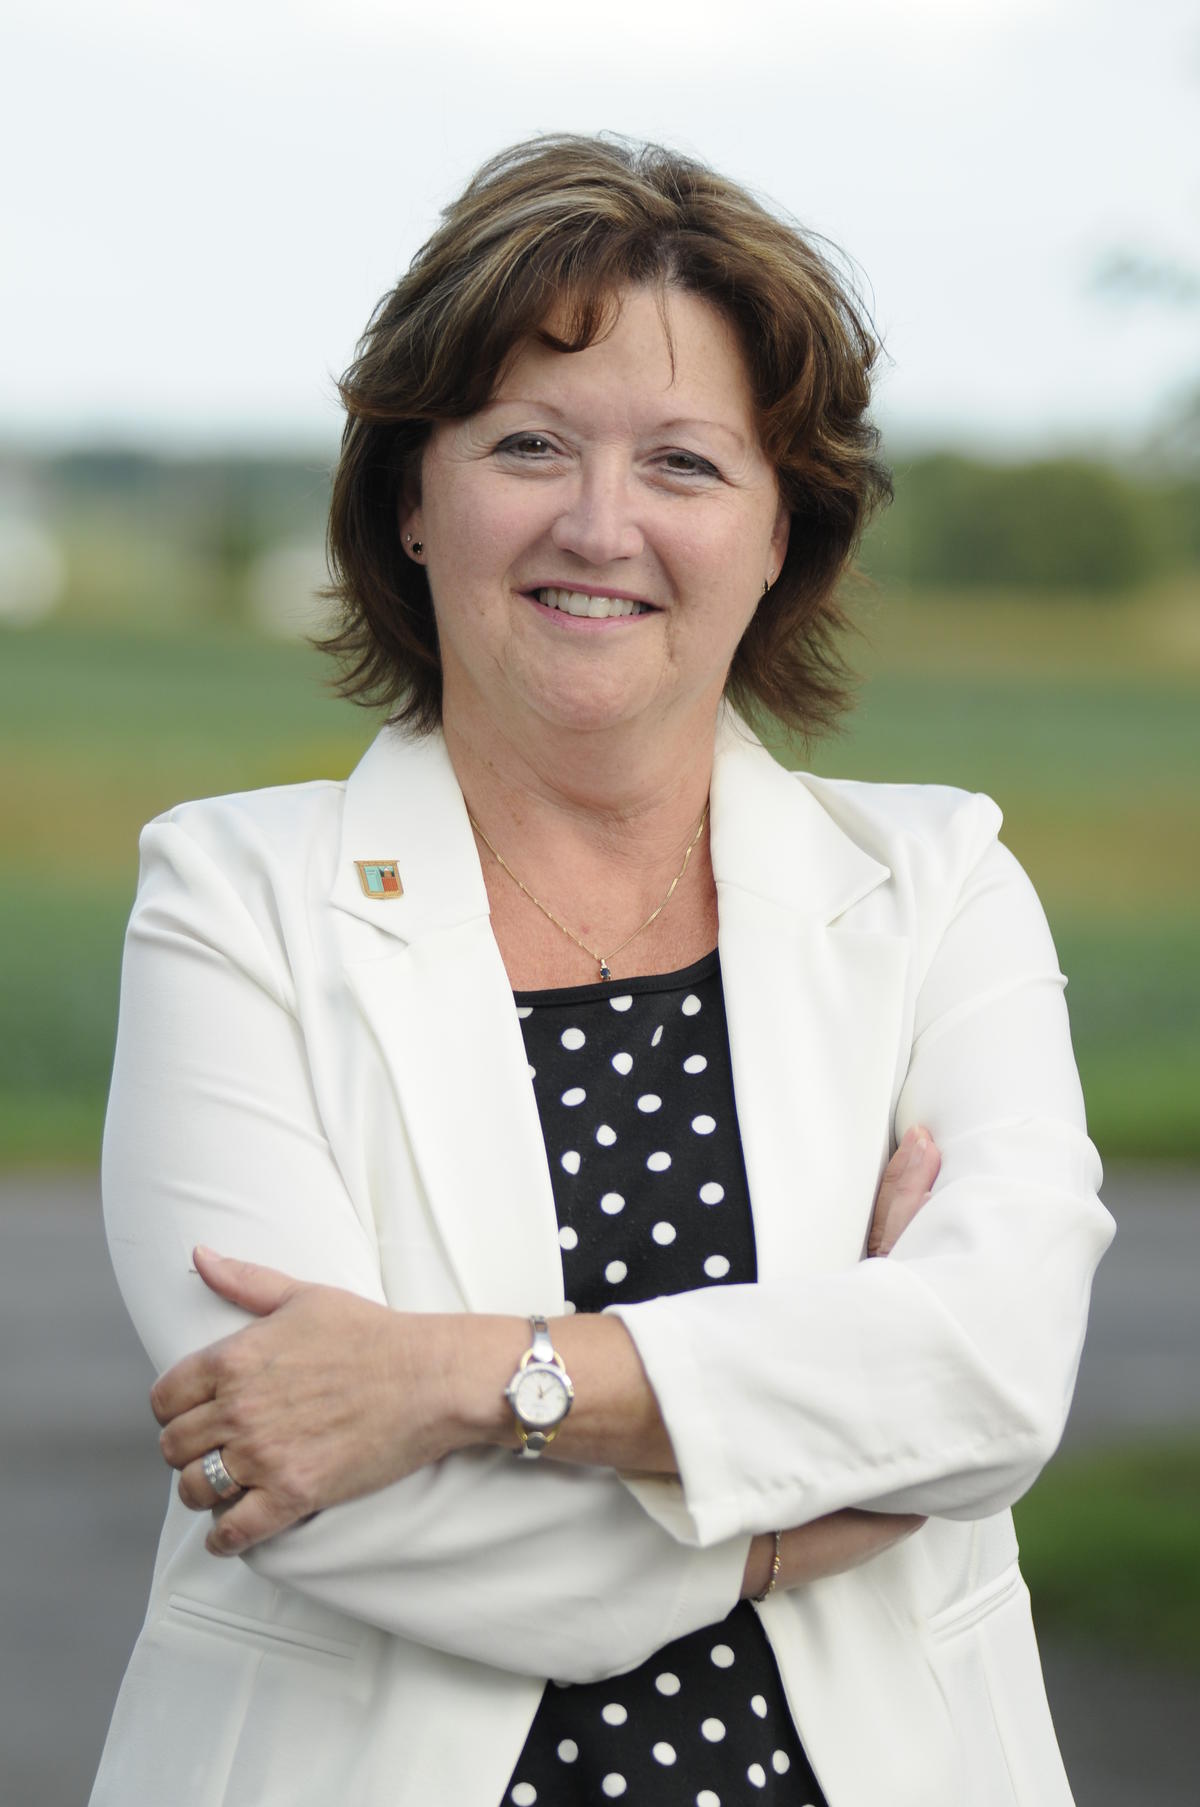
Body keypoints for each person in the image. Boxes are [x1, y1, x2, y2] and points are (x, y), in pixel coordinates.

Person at [92, 135, 1114, 1807]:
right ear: (411, 498)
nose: (598, 524)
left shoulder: (937, 889)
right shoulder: (231, 900)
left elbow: (991, 1374)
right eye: (529, 444)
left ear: (782, 530)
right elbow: (301, 1477)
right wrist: (797, 1510)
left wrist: (458, 1379)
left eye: (685, 465)